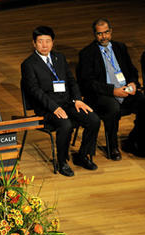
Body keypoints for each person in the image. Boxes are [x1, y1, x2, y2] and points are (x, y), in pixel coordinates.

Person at [21, 26, 100, 177]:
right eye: (40, 42)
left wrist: (77, 99)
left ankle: (82, 156)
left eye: (48, 41)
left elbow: (71, 81)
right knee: (66, 124)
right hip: (47, 108)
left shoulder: (60, 58)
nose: (44, 45)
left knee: (94, 119)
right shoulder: (28, 64)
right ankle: (62, 161)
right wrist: (54, 107)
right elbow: (34, 91)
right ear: (34, 44)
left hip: (67, 103)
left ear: (52, 42)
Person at [78, 18, 145, 159]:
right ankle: (112, 146)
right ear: (95, 35)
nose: (103, 37)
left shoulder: (120, 48)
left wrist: (133, 83)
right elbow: (87, 83)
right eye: (99, 34)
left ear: (111, 32)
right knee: (113, 108)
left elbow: (132, 71)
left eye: (106, 32)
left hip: (125, 90)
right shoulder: (87, 53)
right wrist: (112, 91)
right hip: (102, 94)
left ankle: (134, 140)